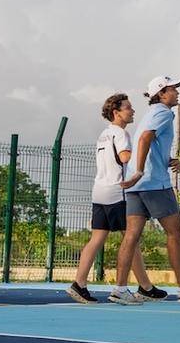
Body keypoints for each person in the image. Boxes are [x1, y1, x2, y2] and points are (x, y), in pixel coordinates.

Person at [111, 76, 180, 305]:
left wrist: (167, 159)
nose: (177, 93)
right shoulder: (164, 113)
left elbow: (149, 142)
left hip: (137, 183)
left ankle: (120, 289)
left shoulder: (150, 115)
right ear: (161, 94)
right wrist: (139, 170)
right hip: (153, 183)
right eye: (172, 89)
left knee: (131, 236)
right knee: (175, 233)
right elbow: (146, 138)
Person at [67, 93, 166, 304]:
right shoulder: (121, 134)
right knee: (131, 239)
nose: (133, 111)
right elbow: (125, 158)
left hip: (99, 191)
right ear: (116, 112)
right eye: (128, 107)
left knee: (97, 240)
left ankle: (79, 284)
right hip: (117, 192)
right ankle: (145, 287)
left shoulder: (104, 134)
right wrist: (150, 159)